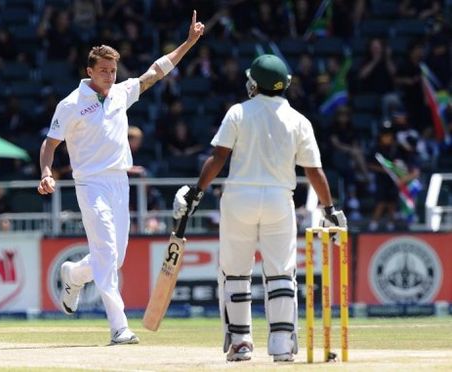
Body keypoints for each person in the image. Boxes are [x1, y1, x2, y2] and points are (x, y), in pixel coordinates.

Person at [37, 11, 205, 345]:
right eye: (103, 71)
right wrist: (45, 171)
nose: (110, 77)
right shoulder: (70, 104)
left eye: (113, 71)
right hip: (90, 185)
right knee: (106, 255)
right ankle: (119, 326)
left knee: (114, 258)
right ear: (89, 71)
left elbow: (155, 72)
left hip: (119, 183)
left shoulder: (120, 93)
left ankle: (73, 273)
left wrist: (188, 43)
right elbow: (50, 144)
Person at [172, 54, 347, 362]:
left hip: (239, 198)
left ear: (254, 83)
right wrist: (330, 208)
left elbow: (218, 158)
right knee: (281, 272)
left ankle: (240, 342)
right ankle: (281, 344)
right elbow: (314, 171)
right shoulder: (299, 120)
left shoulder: (238, 112)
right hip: (280, 199)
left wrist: (198, 192)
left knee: (235, 271)